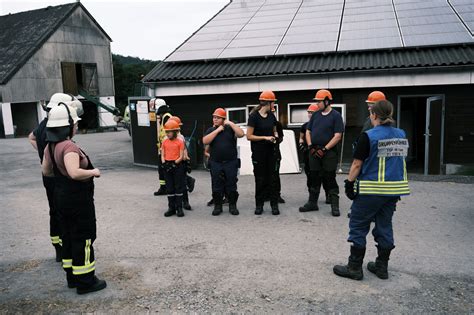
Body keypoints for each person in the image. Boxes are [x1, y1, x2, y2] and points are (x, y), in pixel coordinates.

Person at [333, 100, 410, 281]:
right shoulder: (401, 134)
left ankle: (354, 268)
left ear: (374, 115)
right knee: (384, 226)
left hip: (370, 190)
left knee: (358, 225)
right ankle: (382, 267)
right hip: (393, 192)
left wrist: (349, 183)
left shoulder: (368, 136)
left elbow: (357, 164)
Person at [42, 104, 106, 294]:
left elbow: (46, 171)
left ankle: (72, 278)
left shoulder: (50, 145)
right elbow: (74, 172)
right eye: (74, 124)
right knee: (84, 237)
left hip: (61, 198)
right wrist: (94, 171)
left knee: (68, 237)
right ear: (67, 126)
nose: (76, 126)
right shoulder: (68, 146)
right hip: (77, 200)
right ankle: (86, 282)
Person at [28, 93, 83, 262]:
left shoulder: (44, 124)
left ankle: (59, 249)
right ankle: (66, 248)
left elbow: (31, 137)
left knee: (54, 211)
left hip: (48, 174)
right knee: (63, 212)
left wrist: (43, 153)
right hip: (58, 176)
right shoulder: (56, 128)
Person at [299, 89, 344, 216]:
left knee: (329, 177)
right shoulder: (316, 115)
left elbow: (338, 136)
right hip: (314, 150)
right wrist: (310, 146)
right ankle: (312, 203)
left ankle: (335, 205)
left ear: (326, 101)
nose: (317, 104)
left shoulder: (336, 116)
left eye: (319, 101)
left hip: (329, 152)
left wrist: (325, 149)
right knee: (314, 176)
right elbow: (308, 131)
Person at [203, 108, 244, 216]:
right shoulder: (211, 130)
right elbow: (205, 141)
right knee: (216, 185)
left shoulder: (230, 129)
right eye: (214, 117)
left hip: (230, 162)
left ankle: (232, 206)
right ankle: (218, 206)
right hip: (216, 162)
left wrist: (230, 123)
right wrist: (217, 130)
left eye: (218, 118)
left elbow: (241, 134)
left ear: (223, 119)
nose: (215, 119)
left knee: (231, 184)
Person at [246, 90, 280, 215]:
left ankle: (274, 205)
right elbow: (249, 136)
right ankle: (259, 205)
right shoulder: (254, 117)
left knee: (273, 179)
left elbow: (274, 130)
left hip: (271, 152)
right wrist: (265, 138)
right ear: (268, 103)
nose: (274, 105)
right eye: (273, 103)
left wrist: (275, 136)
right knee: (260, 179)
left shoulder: (272, 116)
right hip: (258, 153)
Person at [298, 103, 330, 205]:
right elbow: (301, 137)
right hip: (308, 154)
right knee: (310, 176)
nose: (309, 114)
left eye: (312, 112)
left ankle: (328, 195)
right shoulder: (305, 126)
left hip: (322, 152)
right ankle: (312, 197)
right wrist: (301, 144)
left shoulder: (323, 125)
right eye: (309, 112)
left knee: (325, 175)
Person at [168, 116, 195, 210]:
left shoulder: (180, 137)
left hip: (180, 162)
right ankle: (177, 203)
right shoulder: (168, 137)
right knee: (175, 183)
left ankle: (185, 202)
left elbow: (184, 150)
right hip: (172, 162)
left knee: (182, 184)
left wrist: (186, 159)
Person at [161, 119, 186, 217]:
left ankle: (179, 207)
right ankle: (171, 207)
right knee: (169, 187)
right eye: (166, 132)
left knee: (178, 186)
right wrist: (164, 163)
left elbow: (181, 155)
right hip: (167, 164)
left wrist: (175, 163)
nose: (167, 134)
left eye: (169, 132)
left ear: (175, 132)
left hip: (177, 165)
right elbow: (162, 154)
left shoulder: (180, 142)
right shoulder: (165, 142)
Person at [153, 98, 173, 196]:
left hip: (166, 149)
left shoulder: (167, 117)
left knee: (165, 168)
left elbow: (168, 134)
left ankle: (188, 181)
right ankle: (163, 187)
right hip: (163, 148)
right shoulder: (165, 117)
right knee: (162, 169)